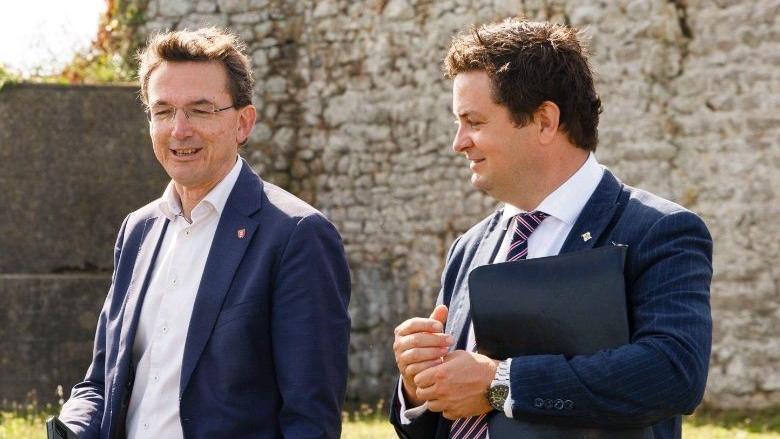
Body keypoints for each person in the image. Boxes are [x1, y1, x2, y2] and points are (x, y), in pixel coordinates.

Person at [390, 19, 712, 439]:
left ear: (544, 121)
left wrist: (500, 385)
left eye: (474, 122)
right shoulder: (468, 248)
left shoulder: (659, 231)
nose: (459, 142)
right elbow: (441, 419)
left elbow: (672, 371)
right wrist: (418, 387)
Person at [59, 27, 351, 439]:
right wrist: (70, 427)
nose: (179, 129)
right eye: (163, 112)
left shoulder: (297, 236)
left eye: (200, 110)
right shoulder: (138, 230)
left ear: (243, 123)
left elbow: (310, 421)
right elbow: (100, 382)